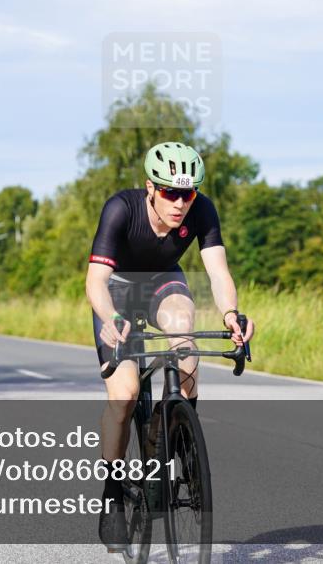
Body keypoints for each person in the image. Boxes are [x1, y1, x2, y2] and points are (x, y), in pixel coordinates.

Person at [86, 142, 255, 551]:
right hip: (120, 295)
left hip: (163, 281)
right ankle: (113, 491)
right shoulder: (121, 209)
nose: (180, 203)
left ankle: (179, 442)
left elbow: (218, 271)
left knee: (185, 340)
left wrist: (232, 314)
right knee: (124, 396)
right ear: (150, 188)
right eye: (170, 192)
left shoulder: (202, 210)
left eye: (188, 193)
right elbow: (95, 281)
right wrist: (109, 319)